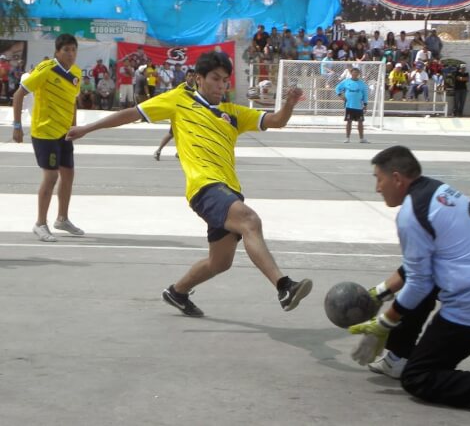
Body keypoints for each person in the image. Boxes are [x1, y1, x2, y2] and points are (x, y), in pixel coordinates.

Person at [67, 51, 312, 316]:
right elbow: (131, 113)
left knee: (220, 262)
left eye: (224, 80)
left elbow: (276, 121)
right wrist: (86, 129)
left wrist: (288, 104)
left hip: (228, 189)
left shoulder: (232, 113)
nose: (221, 85)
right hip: (203, 187)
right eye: (215, 78)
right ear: (198, 78)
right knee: (250, 220)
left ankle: (177, 292)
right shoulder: (178, 100)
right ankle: (284, 286)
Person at [348, 146, 470, 423]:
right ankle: (397, 358)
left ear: (396, 179)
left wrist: (383, 323)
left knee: (419, 379)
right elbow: (416, 269)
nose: (377, 188)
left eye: (378, 179)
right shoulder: (436, 191)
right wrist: (380, 292)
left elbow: (419, 283)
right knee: (418, 288)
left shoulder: (410, 215)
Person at [11, 34, 85, 242]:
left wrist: (74, 126)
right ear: (57, 52)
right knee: (51, 177)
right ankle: (40, 223)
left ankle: (62, 218)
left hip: (64, 133)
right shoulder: (46, 69)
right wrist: (17, 126)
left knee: (68, 175)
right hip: (44, 132)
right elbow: (18, 95)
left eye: (73, 50)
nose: (71, 54)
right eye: (66, 50)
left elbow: (72, 102)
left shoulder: (76, 73)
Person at [153, 68, 197, 160]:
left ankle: (180, 152)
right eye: (189, 76)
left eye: (193, 76)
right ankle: (158, 151)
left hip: (189, 115)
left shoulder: (197, 87)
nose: (192, 78)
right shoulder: (181, 88)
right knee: (171, 134)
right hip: (178, 114)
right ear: (186, 77)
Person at [335, 66, 369, 143]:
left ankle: (361, 138)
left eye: (357, 73)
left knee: (360, 122)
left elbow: (365, 95)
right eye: (354, 72)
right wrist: (341, 96)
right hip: (349, 105)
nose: (355, 74)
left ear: (359, 74)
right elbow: (337, 88)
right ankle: (347, 138)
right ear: (351, 73)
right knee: (349, 121)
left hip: (359, 106)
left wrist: (365, 105)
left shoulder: (362, 84)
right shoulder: (346, 82)